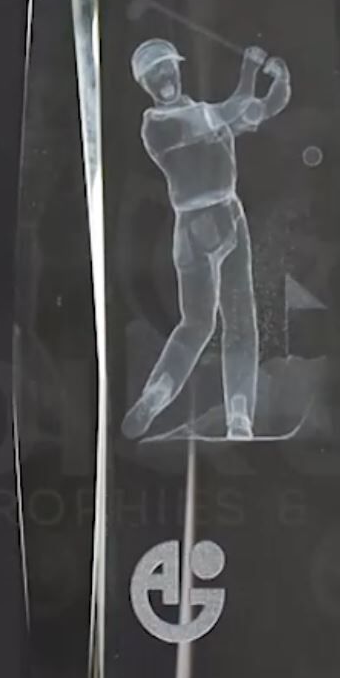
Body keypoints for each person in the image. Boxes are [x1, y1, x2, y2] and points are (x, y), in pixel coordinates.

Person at [122, 38, 290, 440]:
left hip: (226, 217)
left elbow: (261, 109)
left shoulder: (202, 114)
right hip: (203, 224)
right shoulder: (157, 124)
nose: (164, 78)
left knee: (221, 324)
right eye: (155, 74)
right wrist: (248, 70)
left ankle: (236, 417)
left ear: (177, 69)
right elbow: (230, 108)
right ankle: (160, 396)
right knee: (212, 324)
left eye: (167, 68)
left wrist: (281, 79)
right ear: (145, 84)